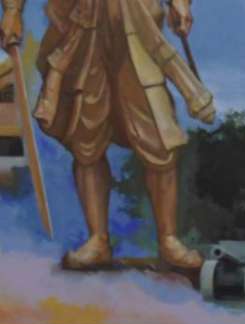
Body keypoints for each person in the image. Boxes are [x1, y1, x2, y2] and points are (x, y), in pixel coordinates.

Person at [1, 0, 213, 270]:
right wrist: (12, 10)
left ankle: (168, 239)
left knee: (159, 136)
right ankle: (98, 240)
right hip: (77, 23)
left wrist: (179, 3)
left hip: (137, 19)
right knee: (85, 138)